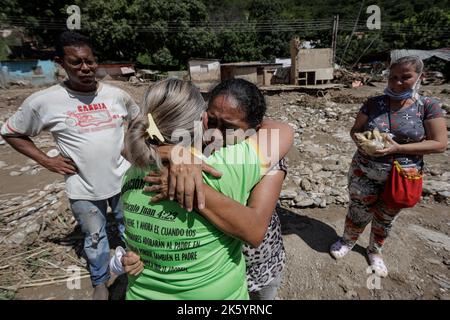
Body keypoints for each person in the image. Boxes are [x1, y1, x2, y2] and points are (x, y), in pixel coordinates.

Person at [120, 78, 293, 299]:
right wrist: (170, 151)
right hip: (217, 268)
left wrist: (176, 162)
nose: (215, 135)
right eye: (211, 121)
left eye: (230, 128)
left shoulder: (267, 160)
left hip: (258, 260)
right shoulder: (200, 151)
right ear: (202, 119)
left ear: (254, 131)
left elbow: (255, 229)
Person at [0, 31, 140, 299]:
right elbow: (11, 132)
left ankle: (135, 268)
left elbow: (136, 119)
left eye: (90, 61)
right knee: (95, 238)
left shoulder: (116, 95)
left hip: (123, 180)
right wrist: (46, 160)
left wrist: (130, 147)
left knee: (130, 227)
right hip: (83, 187)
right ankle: (101, 281)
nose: (85, 68)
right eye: (76, 63)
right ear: (59, 62)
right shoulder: (44, 101)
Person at [329, 56, 447, 277]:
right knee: (358, 209)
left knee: (386, 216)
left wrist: (397, 149)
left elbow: (439, 144)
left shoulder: (428, 106)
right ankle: (348, 241)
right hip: (364, 171)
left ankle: (374, 251)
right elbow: (355, 130)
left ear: (420, 77)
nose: (397, 82)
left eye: (405, 77)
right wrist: (363, 142)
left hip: (403, 175)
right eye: (393, 77)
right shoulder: (374, 103)